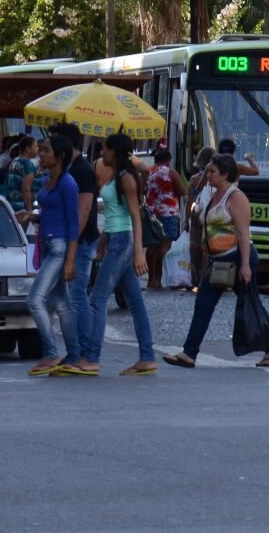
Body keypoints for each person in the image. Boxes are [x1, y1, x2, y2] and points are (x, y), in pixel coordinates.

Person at [163, 153, 269, 369]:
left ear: (225, 174)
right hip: (217, 260)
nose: (207, 175)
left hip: (237, 258)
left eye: (212, 171)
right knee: (203, 305)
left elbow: (243, 234)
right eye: (207, 170)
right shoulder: (213, 195)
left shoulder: (236, 197)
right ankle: (189, 353)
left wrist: (245, 265)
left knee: (251, 303)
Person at [78, 132, 157, 376]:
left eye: (105, 149)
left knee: (97, 298)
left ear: (115, 151)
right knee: (134, 302)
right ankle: (147, 357)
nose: (102, 153)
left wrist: (137, 252)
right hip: (115, 238)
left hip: (123, 241)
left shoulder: (126, 178)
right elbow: (115, 212)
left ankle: (91, 357)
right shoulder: (116, 175)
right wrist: (104, 237)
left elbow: (135, 215)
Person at [26, 135, 80, 376]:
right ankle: (75, 353)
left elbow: (73, 222)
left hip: (59, 247)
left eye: (46, 151)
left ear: (60, 156)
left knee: (35, 299)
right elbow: (49, 212)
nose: (42, 154)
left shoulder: (68, 184)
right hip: (47, 244)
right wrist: (31, 216)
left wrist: (70, 259)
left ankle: (50, 352)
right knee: (61, 303)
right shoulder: (47, 181)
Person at [46, 122, 98, 370]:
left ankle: (85, 353)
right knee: (69, 298)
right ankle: (75, 351)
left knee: (77, 297)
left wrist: (71, 246)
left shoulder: (82, 171)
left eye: (53, 143)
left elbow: (83, 211)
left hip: (81, 242)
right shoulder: (68, 170)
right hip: (71, 241)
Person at [144, 148, 185, 289]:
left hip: (151, 213)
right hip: (169, 212)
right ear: (168, 160)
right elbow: (182, 191)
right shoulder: (171, 173)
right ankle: (159, 277)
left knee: (152, 245)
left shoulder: (148, 172)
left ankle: (151, 278)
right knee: (164, 245)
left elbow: (143, 189)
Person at [187, 147, 217, 290]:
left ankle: (195, 278)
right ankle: (207, 276)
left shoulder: (194, 179)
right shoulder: (218, 179)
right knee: (208, 247)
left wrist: (186, 220)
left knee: (195, 248)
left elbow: (191, 201)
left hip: (196, 215)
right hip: (211, 214)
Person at [0, 136, 39, 214]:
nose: (38, 149)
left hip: (11, 203)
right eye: (35, 146)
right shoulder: (27, 164)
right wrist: (30, 209)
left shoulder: (15, 161)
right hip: (22, 206)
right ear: (28, 148)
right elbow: (26, 189)